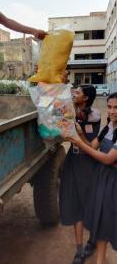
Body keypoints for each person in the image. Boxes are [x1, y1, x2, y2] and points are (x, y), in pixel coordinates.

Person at [64, 92, 117, 264]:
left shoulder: (95, 116)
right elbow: (92, 146)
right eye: (109, 107)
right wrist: (80, 135)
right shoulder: (108, 128)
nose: (112, 111)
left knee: (111, 220)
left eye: (116, 107)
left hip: (113, 180)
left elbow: (108, 158)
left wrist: (78, 143)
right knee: (102, 220)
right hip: (103, 176)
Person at [59, 85, 100, 264]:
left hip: (88, 164)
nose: (74, 94)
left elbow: (92, 148)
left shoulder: (95, 116)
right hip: (72, 162)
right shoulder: (70, 111)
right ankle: (79, 250)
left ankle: (92, 241)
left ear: (86, 98)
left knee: (89, 204)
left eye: (78, 93)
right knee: (75, 202)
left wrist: (80, 134)